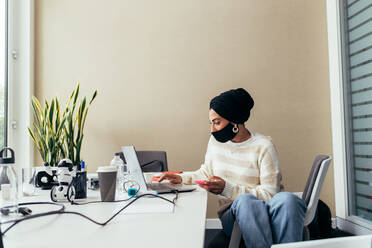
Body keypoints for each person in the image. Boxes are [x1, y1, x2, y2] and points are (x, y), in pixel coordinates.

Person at [159, 88, 306, 248]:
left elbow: (271, 195)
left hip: (268, 210)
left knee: (289, 199)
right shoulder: (215, 143)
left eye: (217, 122)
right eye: (212, 123)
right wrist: (181, 178)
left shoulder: (264, 145)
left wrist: (227, 188)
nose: (212, 129)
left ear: (234, 121)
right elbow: (206, 173)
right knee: (246, 201)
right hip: (233, 215)